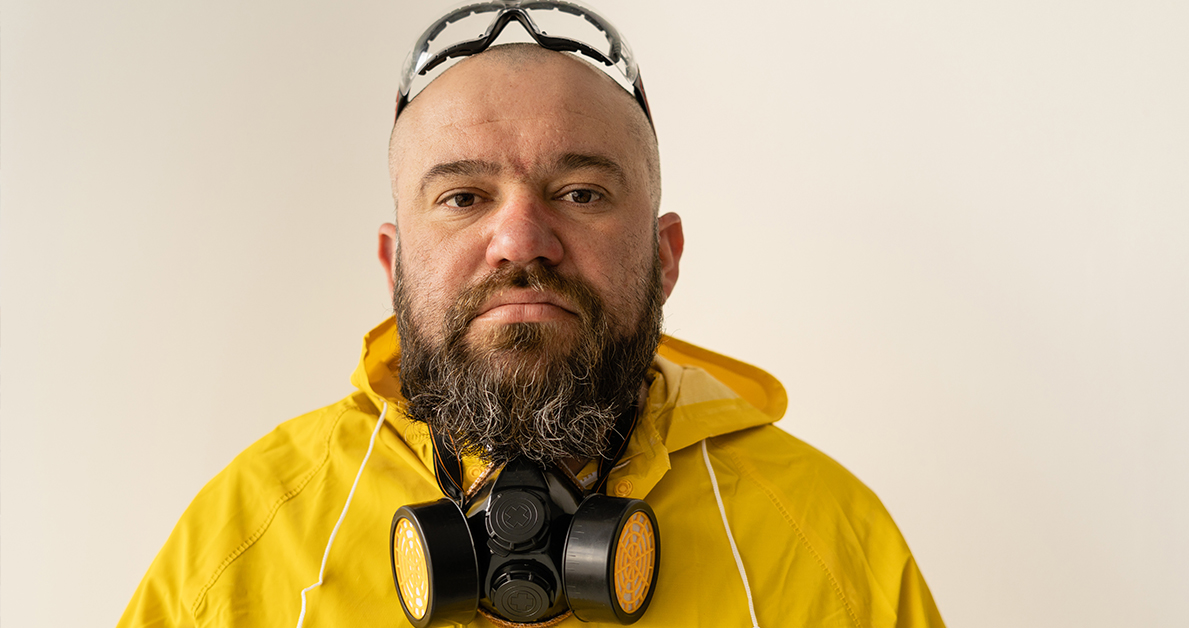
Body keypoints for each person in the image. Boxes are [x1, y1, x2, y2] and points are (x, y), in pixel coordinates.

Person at [118, 3, 944, 627]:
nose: (521, 239)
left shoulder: (834, 543)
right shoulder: (241, 539)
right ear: (391, 262)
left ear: (664, 257)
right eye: (464, 196)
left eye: (580, 192)